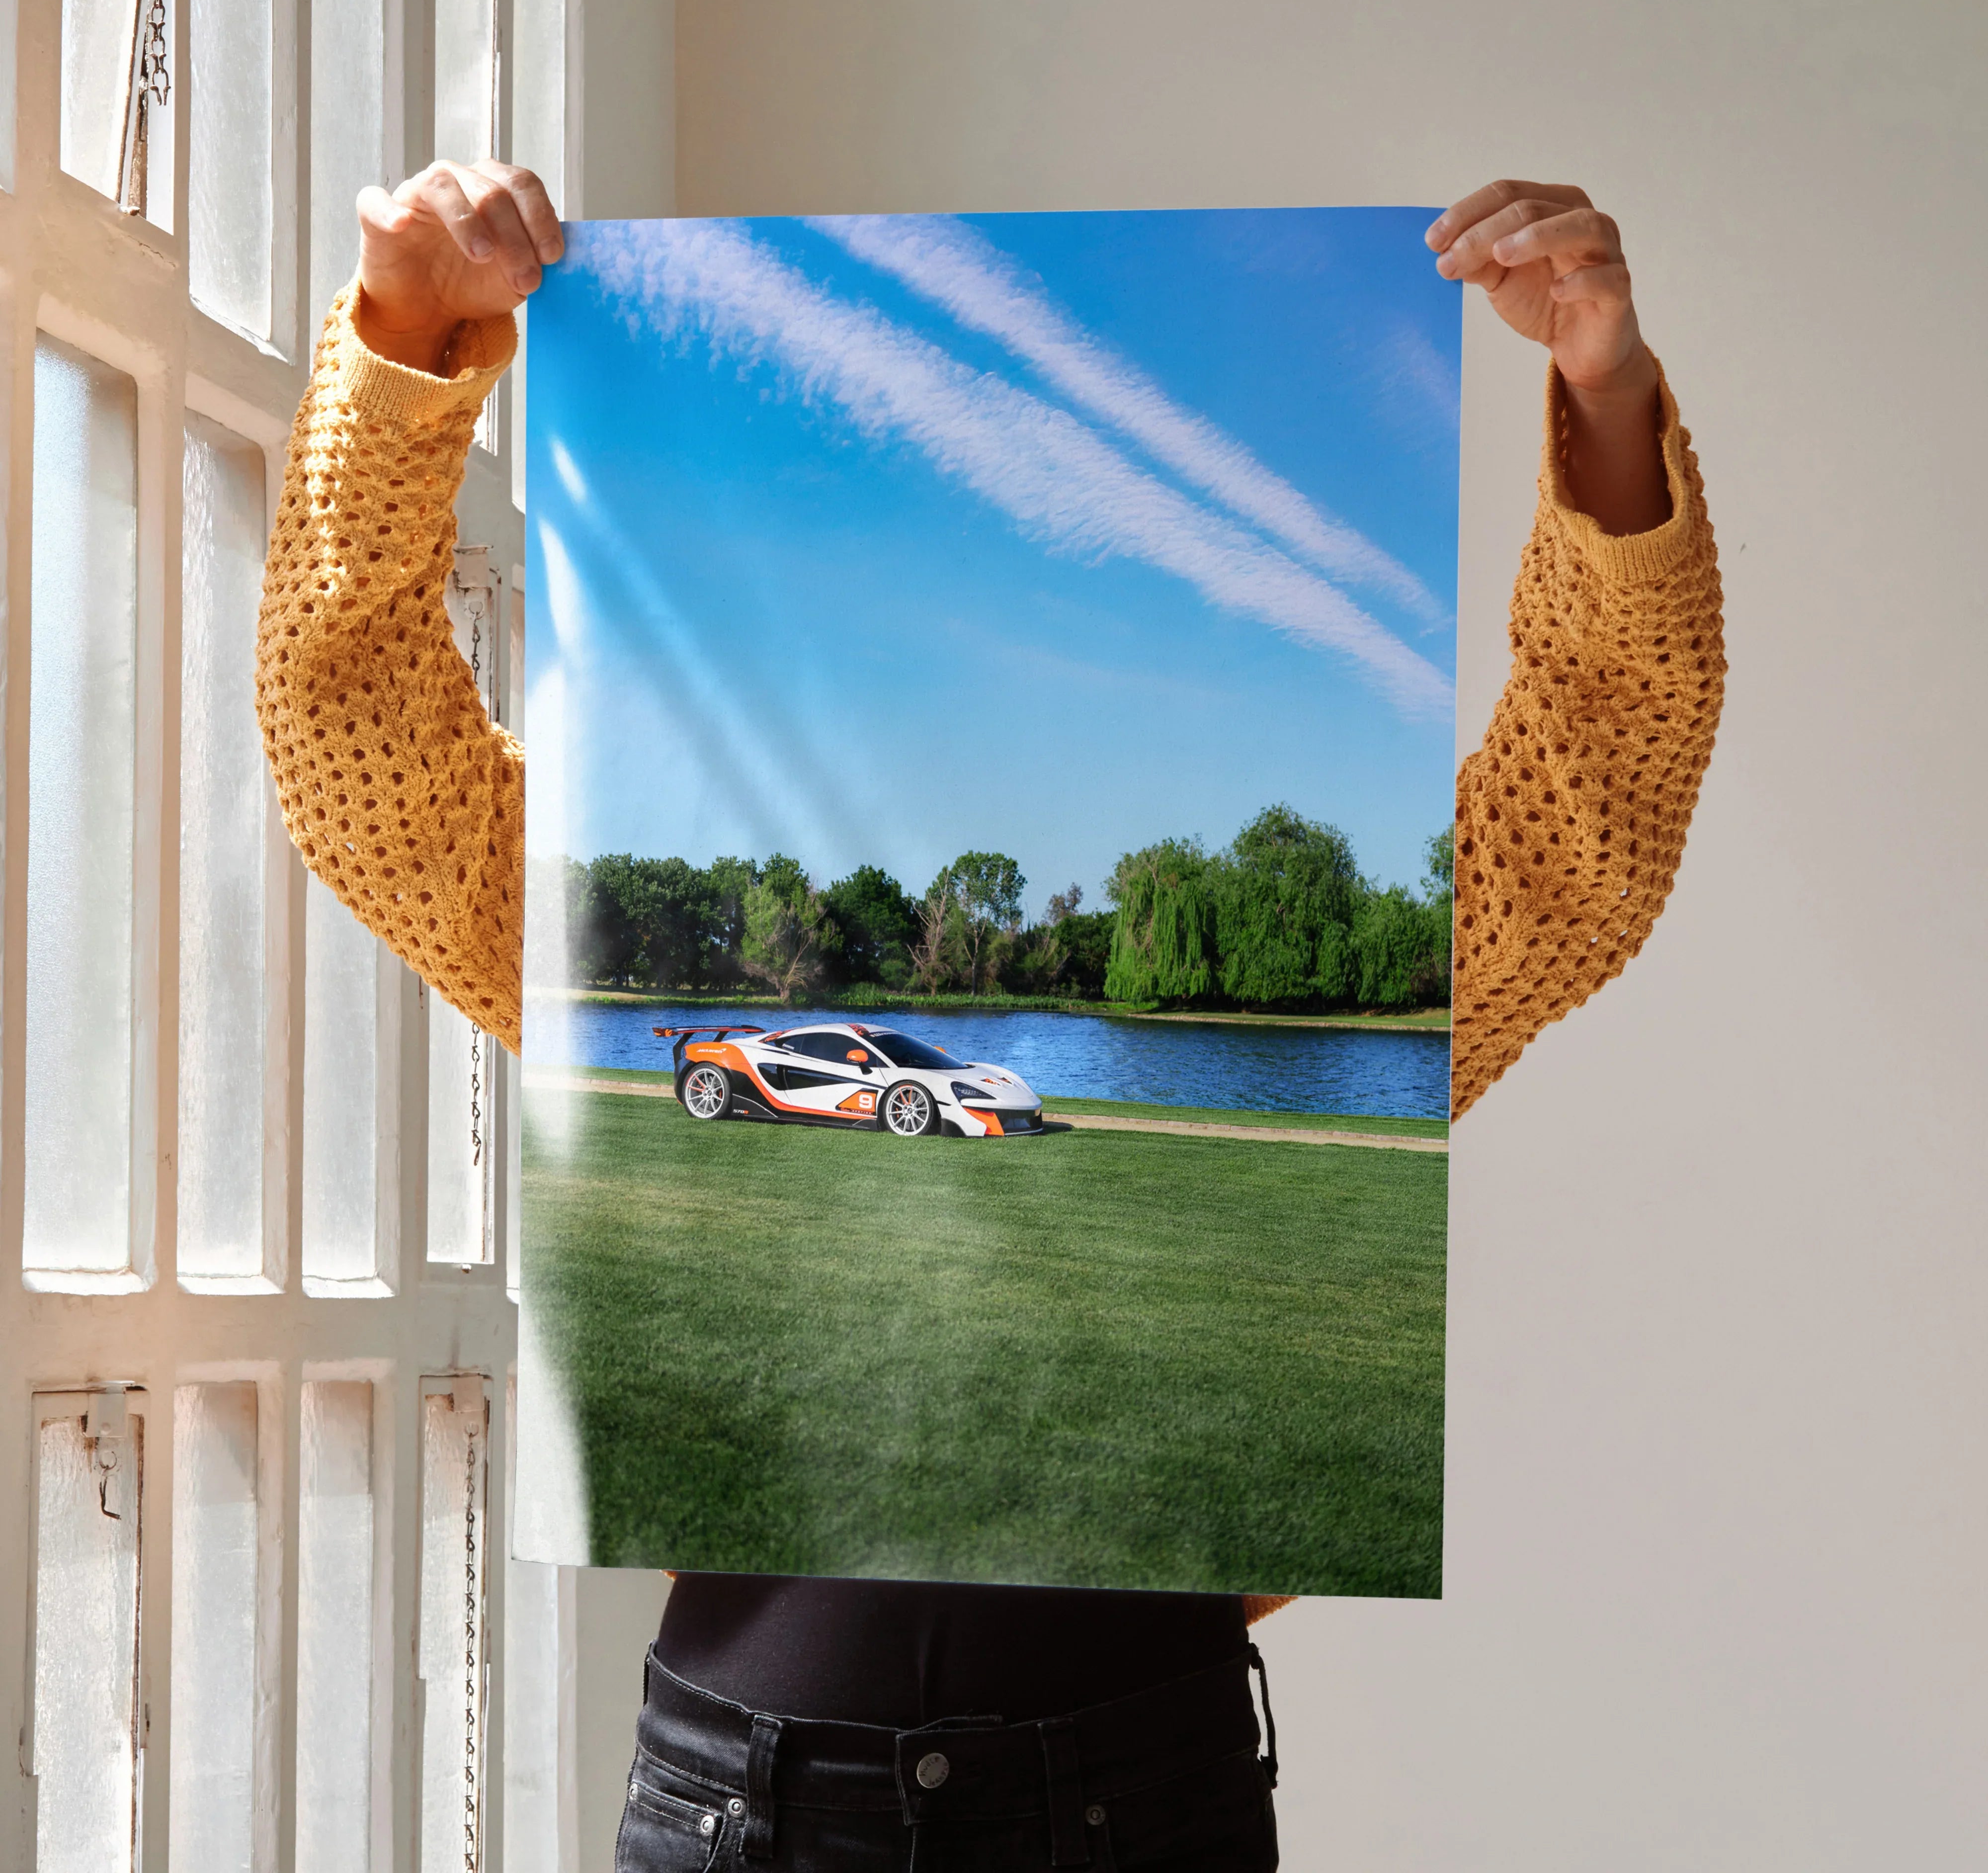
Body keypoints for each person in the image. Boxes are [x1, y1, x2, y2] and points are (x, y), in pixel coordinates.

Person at [257, 162, 1723, 1870]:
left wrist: (1606, 396)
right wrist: (405, 341)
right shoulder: (601, 933)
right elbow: (351, 741)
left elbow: (1592, 814)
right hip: (750, 1808)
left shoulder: (1314, 964)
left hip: (1138, 1794)